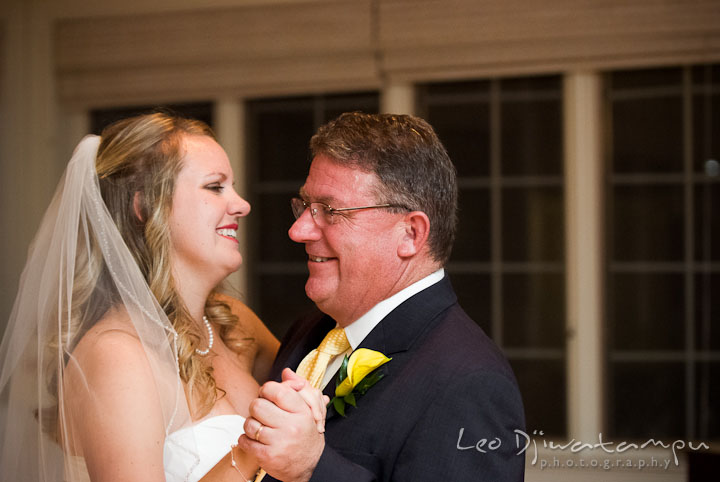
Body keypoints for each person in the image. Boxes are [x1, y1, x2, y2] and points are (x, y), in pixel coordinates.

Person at [0, 113, 325, 482]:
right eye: (215, 187)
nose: (242, 205)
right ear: (145, 207)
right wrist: (254, 449)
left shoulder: (232, 321)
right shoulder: (116, 352)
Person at [237, 112, 526, 481]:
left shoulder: (471, 382)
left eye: (329, 211)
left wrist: (315, 467)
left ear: (410, 234)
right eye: (305, 207)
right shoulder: (308, 333)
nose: (298, 230)